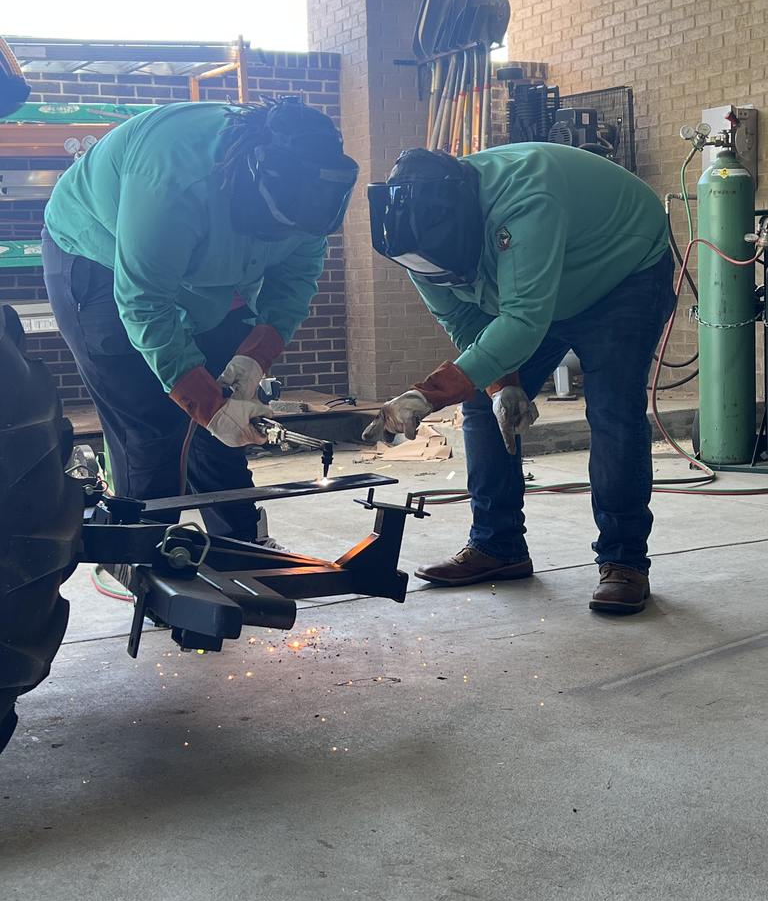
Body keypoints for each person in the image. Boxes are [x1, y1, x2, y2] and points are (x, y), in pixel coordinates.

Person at [364, 144, 675, 614]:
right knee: (479, 406)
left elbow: (525, 319)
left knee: (613, 410)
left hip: (621, 271)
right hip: (537, 286)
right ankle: (498, 546)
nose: (438, 277)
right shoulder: (413, 241)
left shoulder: (526, 199)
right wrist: (501, 383)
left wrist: (427, 395)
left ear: (471, 223)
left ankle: (624, 561)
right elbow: (466, 325)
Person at [42, 97, 358, 541]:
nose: (290, 235)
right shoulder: (176, 179)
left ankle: (239, 551)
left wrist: (253, 360)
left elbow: (293, 285)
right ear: (252, 180)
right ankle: (152, 568)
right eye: (279, 225)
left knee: (226, 426)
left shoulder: (311, 206)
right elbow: (145, 301)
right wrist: (203, 404)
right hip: (99, 256)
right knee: (151, 432)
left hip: (208, 275)